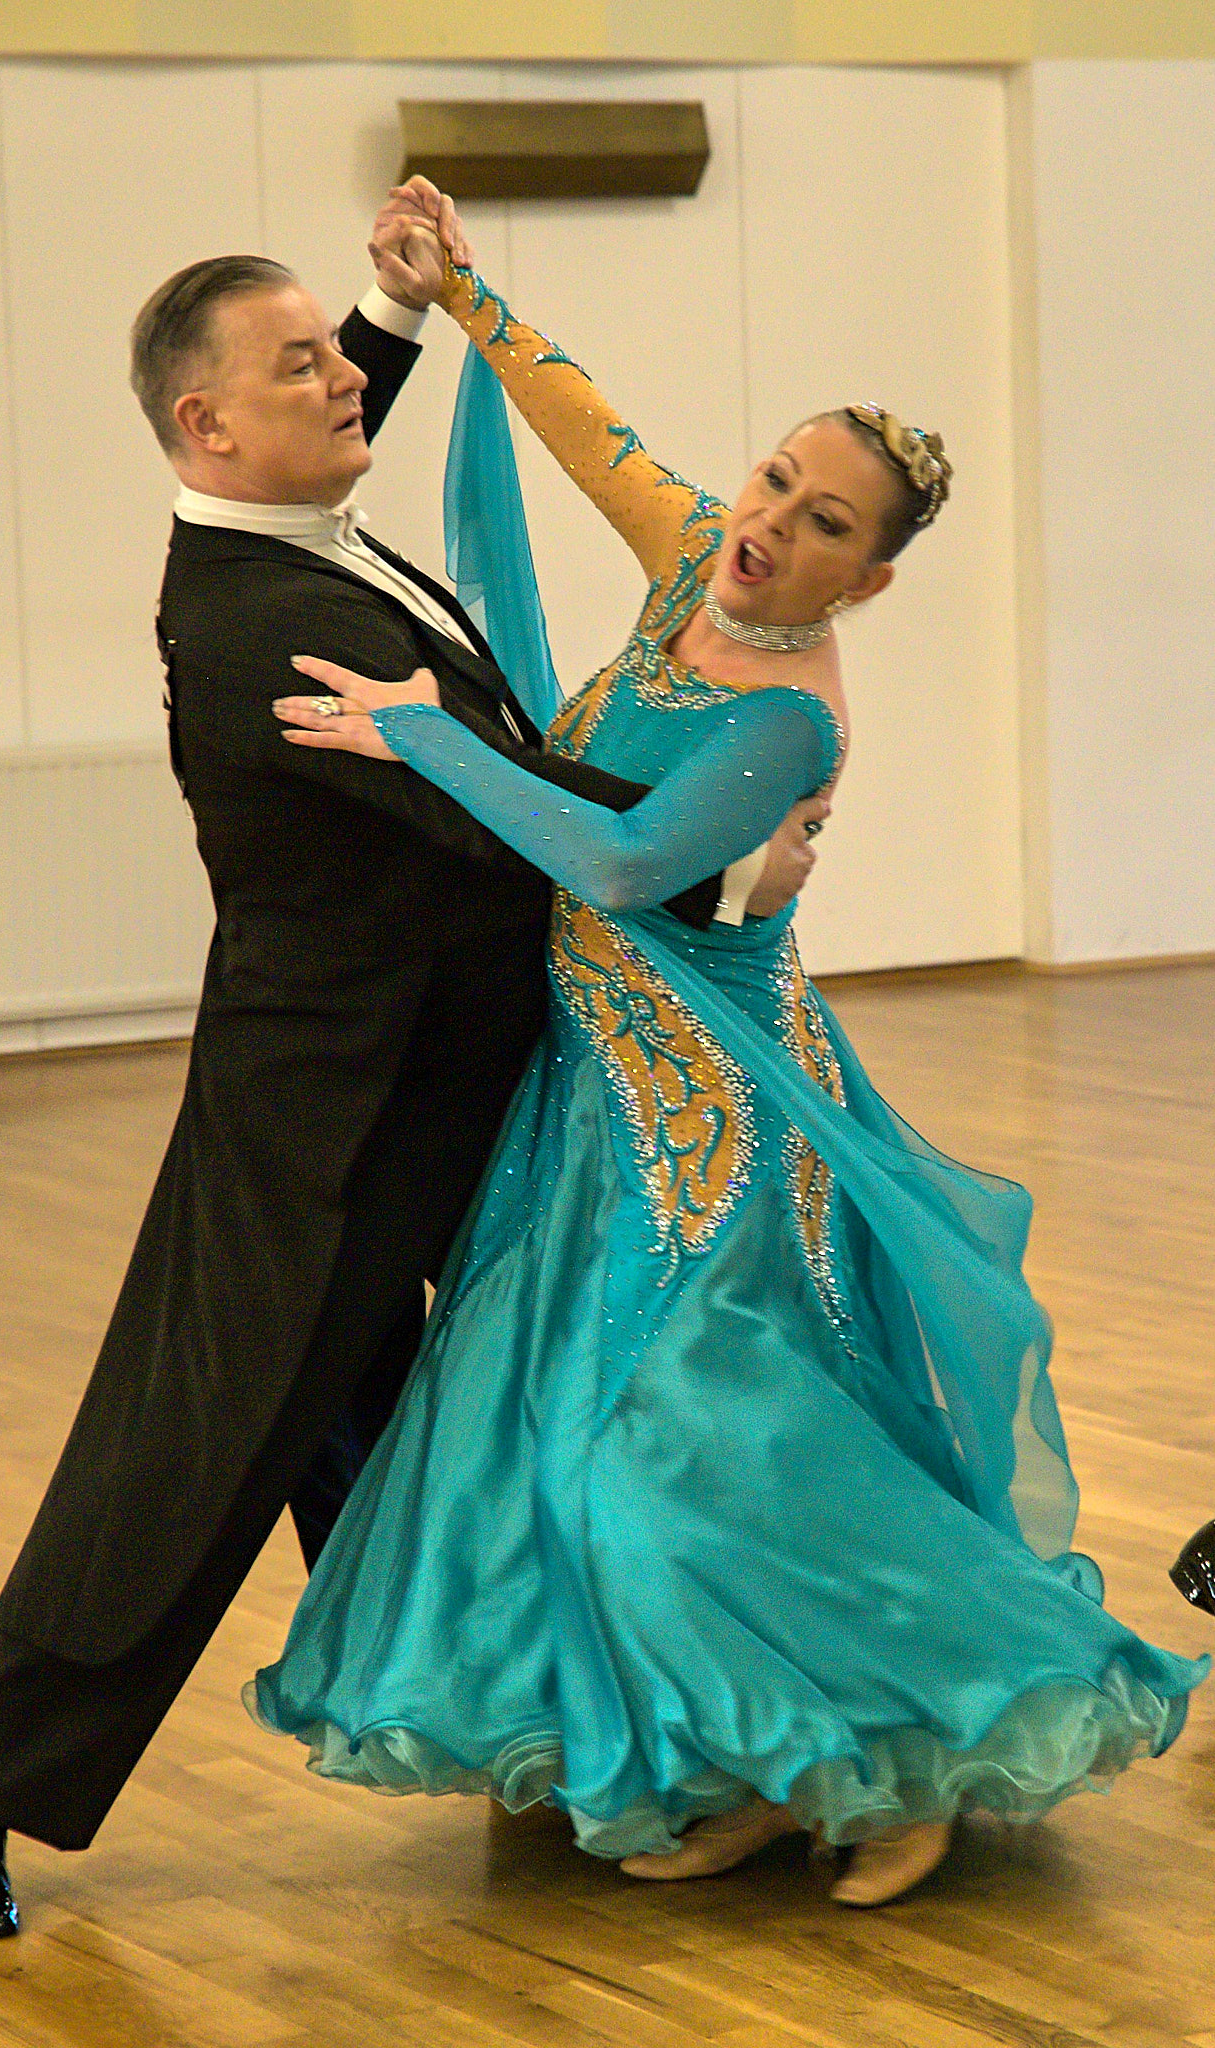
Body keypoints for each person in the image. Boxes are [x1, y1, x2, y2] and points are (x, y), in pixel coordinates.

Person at [249, 191, 1208, 1910]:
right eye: (772, 479)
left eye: (820, 520)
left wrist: (422, 737)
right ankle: (754, 1762)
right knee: (584, 1443)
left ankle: (902, 1756)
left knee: (705, 1449)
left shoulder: (787, 721)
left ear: (871, 575)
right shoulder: (700, 554)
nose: (767, 523)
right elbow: (589, 427)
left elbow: (619, 864)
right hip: (589, 1091)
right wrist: (461, 294)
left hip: (712, 1112)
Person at [0, 206, 824, 1941]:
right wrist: (725, 861)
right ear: (204, 426)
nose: (342, 380)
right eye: (301, 364)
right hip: (322, 1131)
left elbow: (336, 422)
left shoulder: (285, 517)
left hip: (452, 1089)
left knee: (447, 1438)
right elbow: (493, 803)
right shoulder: (258, 628)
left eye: (338, 353)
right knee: (200, 1453)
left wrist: (392, 309)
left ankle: (525, 1739)